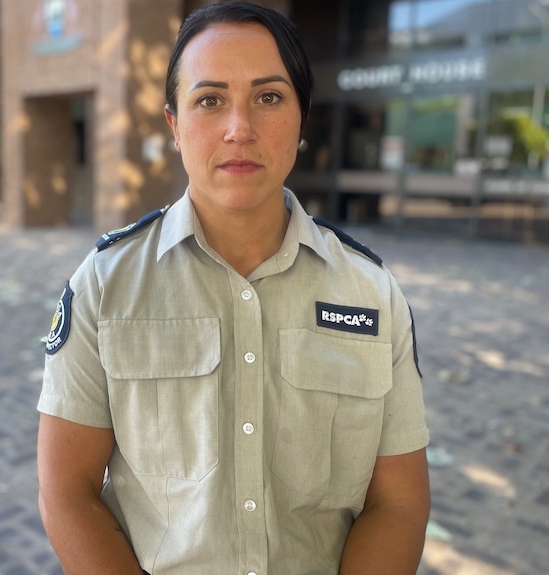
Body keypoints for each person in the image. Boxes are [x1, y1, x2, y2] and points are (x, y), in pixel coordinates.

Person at [37, 2, 430, 574]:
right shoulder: (105, 285)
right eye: (209, 100)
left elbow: (398, 503)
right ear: (174, 125)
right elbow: (65, 492)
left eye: (269, 97)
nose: (238, 129)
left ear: (302, 120)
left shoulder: (371, 292)